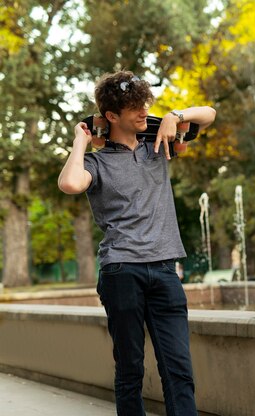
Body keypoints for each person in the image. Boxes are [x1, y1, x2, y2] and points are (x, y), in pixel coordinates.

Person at [58, 70, 216, 416]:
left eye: (144, 105)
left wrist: (176, 116)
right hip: (121, 271)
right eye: (134, 109)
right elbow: (70, 183)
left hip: (165, 270)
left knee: (179, 369)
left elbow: (209, 113)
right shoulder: (95, 163)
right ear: (112, 116)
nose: (144, 112)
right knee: (130, 369)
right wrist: (81, 140)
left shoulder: (159, 144)